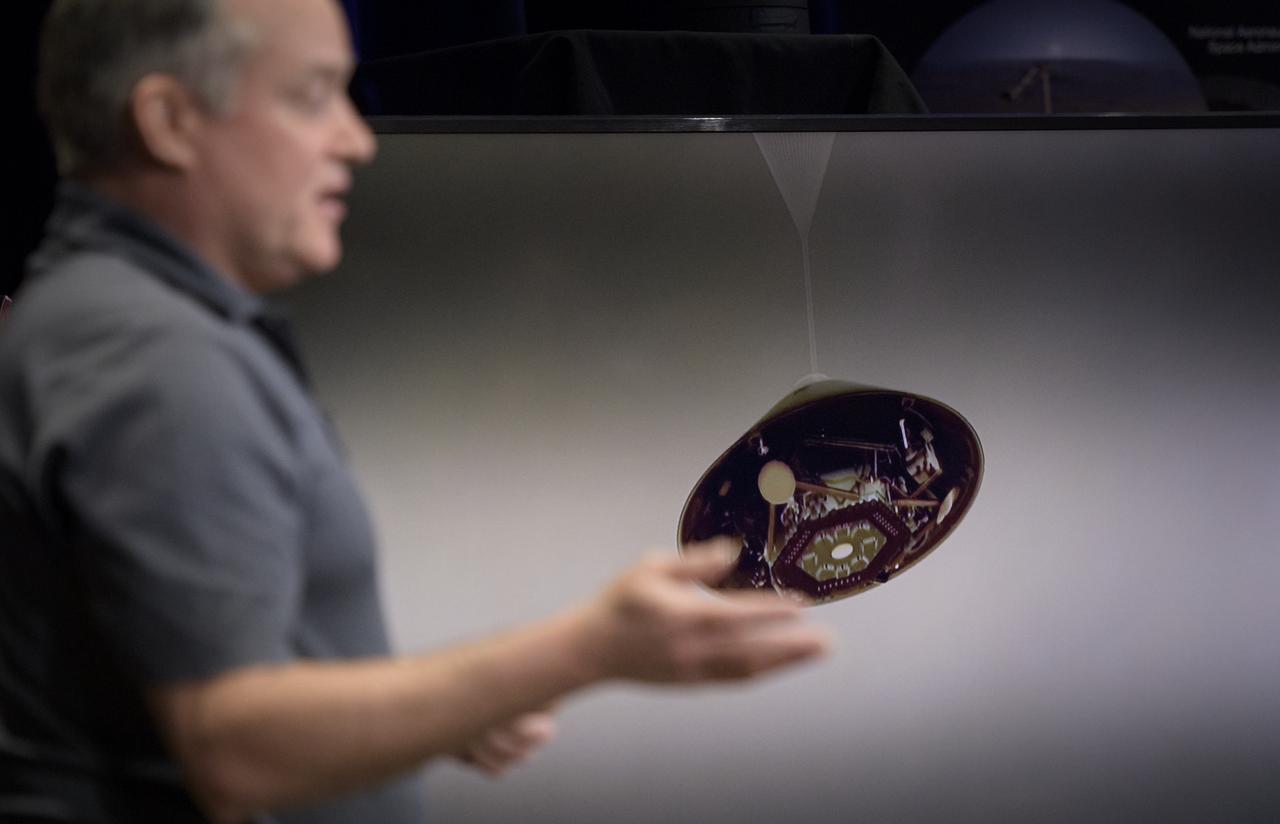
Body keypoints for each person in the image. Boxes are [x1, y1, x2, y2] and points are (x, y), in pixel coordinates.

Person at [0, 1, 831, 822]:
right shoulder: (152, 357)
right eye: (311, 95)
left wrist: (432, 713)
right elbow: (234, 745)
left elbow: (175, 658)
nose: (355, 140)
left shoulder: (109, 317)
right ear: (170, 120)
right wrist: (591, 648)